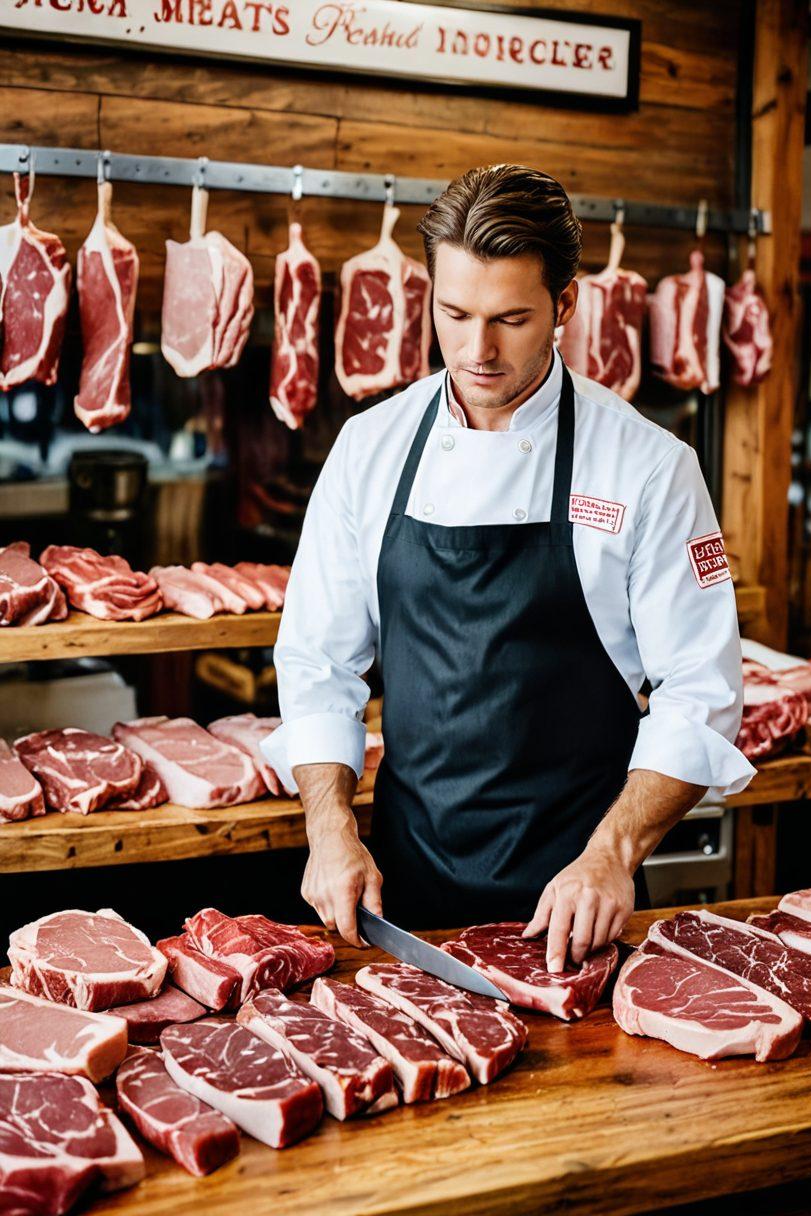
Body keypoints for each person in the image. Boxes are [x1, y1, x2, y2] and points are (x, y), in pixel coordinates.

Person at [261, 164, 754, 973]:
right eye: (453, 314)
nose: (477, 350)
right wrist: (329, 829)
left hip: (579, 900)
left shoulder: (647, 466)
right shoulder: (370, 448)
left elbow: (701, 694)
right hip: (399, 892)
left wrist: (612, 855)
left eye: (511, 319)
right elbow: (318, 660)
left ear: (564, 306)